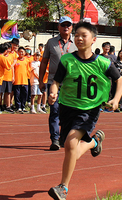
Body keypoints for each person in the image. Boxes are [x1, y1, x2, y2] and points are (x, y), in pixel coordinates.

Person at [47, 20, 122, 200]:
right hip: (67, 107)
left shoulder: (103, 63)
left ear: (93, 39)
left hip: (89, 109)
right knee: (70, 146)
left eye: (84, 36)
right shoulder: (67, 60)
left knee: (70, 144)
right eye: (77, 36)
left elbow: (120, 80)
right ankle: (93, 142)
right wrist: (53, 93)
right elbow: (56, 81)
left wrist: (115, 99)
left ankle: (63, 188)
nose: (79, 38)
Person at [40, 16, 78, 151]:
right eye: (63, 25)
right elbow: (44, 62)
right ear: (59, 27)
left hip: (71, 84)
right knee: (54, 110)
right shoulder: (51, 42)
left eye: (68, 25)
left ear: (72, 28)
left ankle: (63, 137)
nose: (66, 27)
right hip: (53, 82)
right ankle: (55, 139)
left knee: (68, 113)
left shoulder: (76, 44)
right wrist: (41, 81)